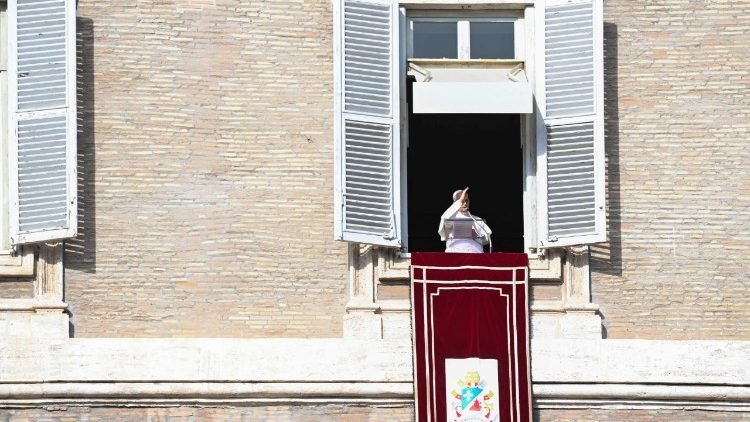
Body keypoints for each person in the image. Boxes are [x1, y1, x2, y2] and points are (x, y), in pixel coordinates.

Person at [438, 187, 492, 253]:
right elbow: (445, 218)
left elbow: (487, 240)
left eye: (466, 200)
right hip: (455, 254)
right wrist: (460, 201)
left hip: (475, 254)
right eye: (462, 201)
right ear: (455, 203)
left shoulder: (477, 220)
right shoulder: (451, 219)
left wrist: (476, 236)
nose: (465, 203)